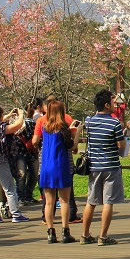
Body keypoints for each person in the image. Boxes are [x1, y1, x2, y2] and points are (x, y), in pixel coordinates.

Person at [74, 89, 126, 246]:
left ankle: (84, 235)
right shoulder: (114, 123)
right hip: (111, 166)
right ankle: (103, 237)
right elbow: (121, 146)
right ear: (106, 104)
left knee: (92, 201)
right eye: (111, 102)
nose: (114, 105)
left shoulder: (89, 121)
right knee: (108, 202)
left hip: (94, 167)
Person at [32, 99, 77, 243]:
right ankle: (65, 231)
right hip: (61, 165)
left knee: (49, 202)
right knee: (64, 201)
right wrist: (77, 131)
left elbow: (36, 142)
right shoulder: (63, 127)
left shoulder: (45, 127)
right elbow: (71, 146)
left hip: (46, 166)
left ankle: (50, 232)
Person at [0, 106, 30, 224]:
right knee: (9, 188)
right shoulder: (0, 128)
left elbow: (0, 121)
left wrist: (9, 115)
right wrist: (21, 114)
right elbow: (17, 126)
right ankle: (16, 214)